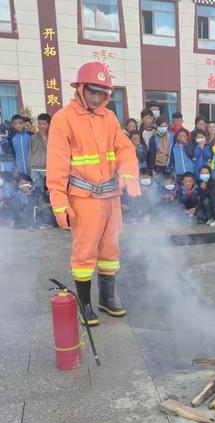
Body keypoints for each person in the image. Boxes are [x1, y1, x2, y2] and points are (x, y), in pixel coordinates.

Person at [47, 62, 140, 326]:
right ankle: (85, 304)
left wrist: (129, 176)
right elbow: (57, 164)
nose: (96, 97)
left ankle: (107, 299)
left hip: (111, 198)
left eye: (101, 92)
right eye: (92, 91)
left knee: (111, 250)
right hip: (83, 199)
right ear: (80, 88)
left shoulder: (109, 118)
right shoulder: (63, 119)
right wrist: (58, 201)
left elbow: (125, 150)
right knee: (85, 253)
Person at [29, 113, 51, 193]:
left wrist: (44, 137)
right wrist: (30, 165)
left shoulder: (52, 136)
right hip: (34, 168)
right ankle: (40, 204)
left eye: (44, 124)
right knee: (38, 191)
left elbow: (50, 151)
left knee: (48, 190)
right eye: (39, 123)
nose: (41, 126)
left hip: (47, 169)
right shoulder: (33, 137)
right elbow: (30, 152)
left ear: (49, 125)